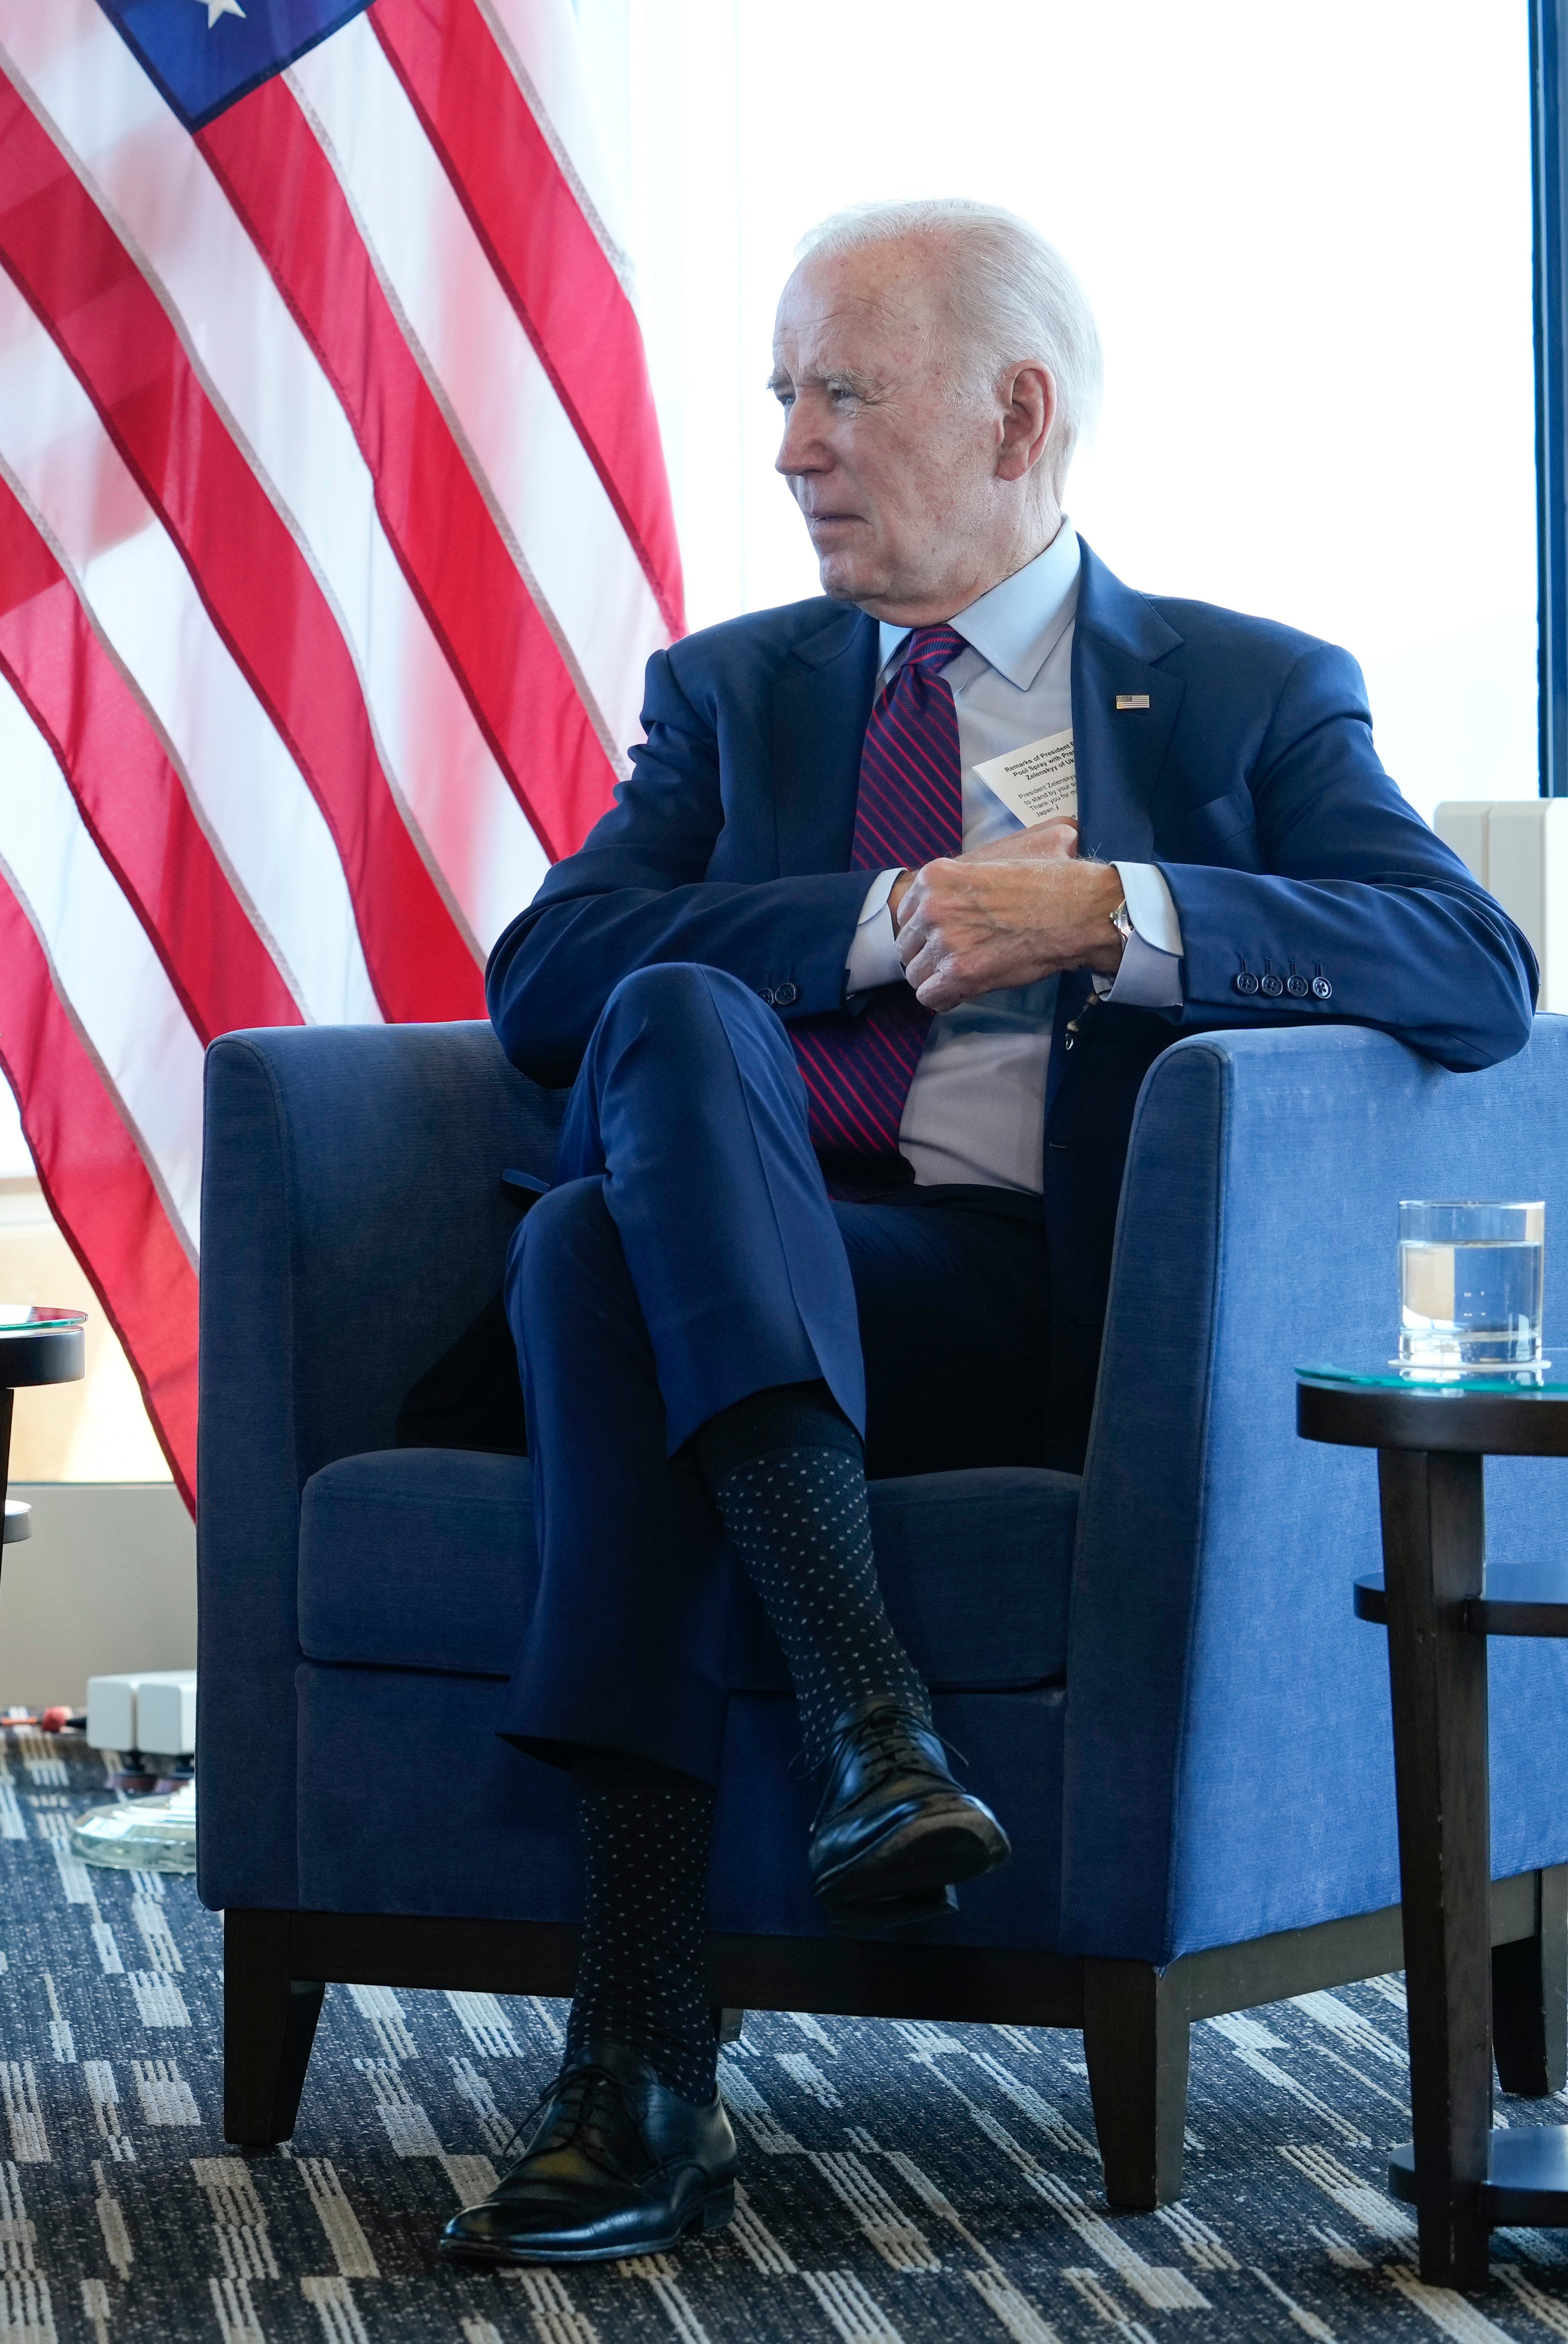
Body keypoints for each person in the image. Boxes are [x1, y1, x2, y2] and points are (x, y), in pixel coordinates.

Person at [438, 199, 1537, 2266]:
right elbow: (545, 975)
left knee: (590, 1265)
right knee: (629, 1153)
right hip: (765, 1249)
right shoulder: (735, 696)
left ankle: (643, 2050)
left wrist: (1115, 912)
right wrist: (882, 918)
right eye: (777, 396)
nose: (785, 448)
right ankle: (860, 1729)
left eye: (835, 391)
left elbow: (1464, 963)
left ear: (1015, 409)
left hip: (1027, 1306)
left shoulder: (1237, 693)